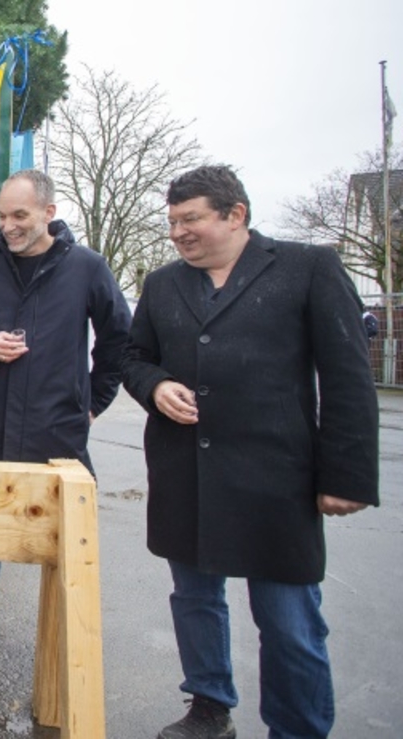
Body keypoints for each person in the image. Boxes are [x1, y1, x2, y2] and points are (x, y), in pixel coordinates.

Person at [122, 165, 380, 739]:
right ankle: (209, 707)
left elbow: (347, 377)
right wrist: (156, 385)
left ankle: (299, 728)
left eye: (191, 219)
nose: (179, 233)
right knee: (194, 602)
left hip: (275, 481)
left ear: (235, 214)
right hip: (184, 473)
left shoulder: (307, 268)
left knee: (289, 623)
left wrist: (348, 476)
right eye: (172, 223)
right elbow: (134, 357)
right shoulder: (162, 284)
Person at [0, 168, 131, 662]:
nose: (9, 225)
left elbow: (120, 338)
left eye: (20, 215)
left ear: (49, 213)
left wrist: (94, 402)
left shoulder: (87, 267)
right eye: (1, 215)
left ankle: (65, 625)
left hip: (54, 423)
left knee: (63, 529)